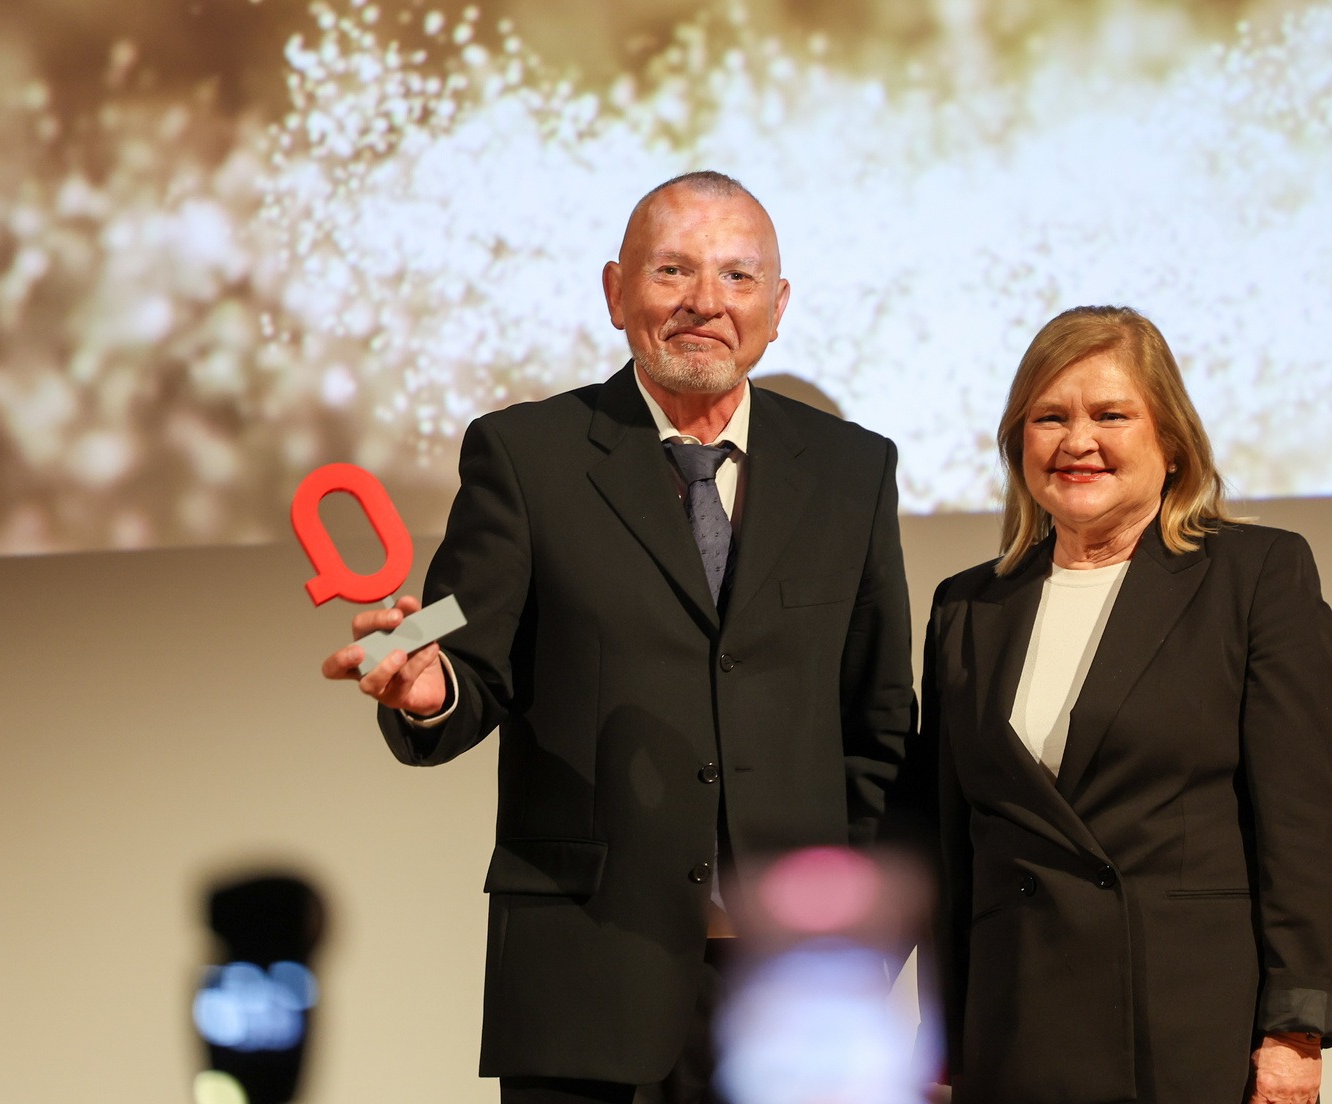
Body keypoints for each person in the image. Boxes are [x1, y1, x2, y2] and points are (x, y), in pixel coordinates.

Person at [321, 171, 915, 1104]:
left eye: (737, 276)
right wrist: (429, 686)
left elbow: (876, 726)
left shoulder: (853, 470)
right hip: (585, 980)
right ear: (615, 291)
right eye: (672, 270)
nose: (705, 301)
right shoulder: (526, 455)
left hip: (794, 995)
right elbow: (454, 634)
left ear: (778, 306)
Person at [923, 306, 1332, 1104]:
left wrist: (1296, 1030)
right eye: (1050, 418)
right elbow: (953, 848)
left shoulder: (1255, 576)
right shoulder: (967, 606)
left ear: (1172, 441)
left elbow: (1306, 824)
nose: (1077, 441)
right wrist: (941, 1041)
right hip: (1016, 1032)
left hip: (1187, 1031)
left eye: (1111, 415)